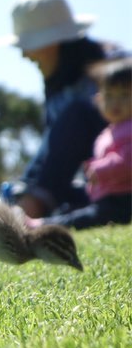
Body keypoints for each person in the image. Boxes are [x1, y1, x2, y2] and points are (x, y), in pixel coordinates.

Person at [0, 0, 109, 218]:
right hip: (97, 186)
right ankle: (28, 204)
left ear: (54, 42)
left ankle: (30, 210)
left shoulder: (116, 72)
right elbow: (52, 148)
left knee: (78, 114)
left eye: (28, 46)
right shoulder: (58, 84)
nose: (24, 55)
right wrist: (26, 186)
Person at [27, 57, 131, 230]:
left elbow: (128, 160)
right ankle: (50, 218)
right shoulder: (108, 132)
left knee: (91, 217)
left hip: (123, 200)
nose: (116, 103)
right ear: (98, 100)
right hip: (106, 195)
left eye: (125, 95)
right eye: (109, 96)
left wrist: (100, 169)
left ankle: (43, 225)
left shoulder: (129, 128)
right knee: (74, 205)